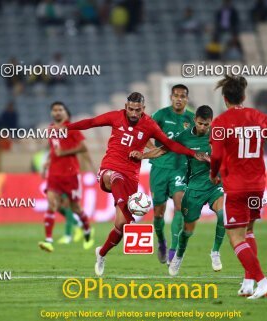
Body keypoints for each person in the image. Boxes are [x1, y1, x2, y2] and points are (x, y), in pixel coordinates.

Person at [66, 92, 208, 276]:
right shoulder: (115, 116)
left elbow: (168, 145)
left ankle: (101, 253)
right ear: (126, 106)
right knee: (115, 178)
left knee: (121, 226)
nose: (133, 113)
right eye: (131, 109)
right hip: (109, 170)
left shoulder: (149, 125)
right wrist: (67, 128)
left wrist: (191, 153)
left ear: (144, 109)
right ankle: (126, 212)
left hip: (131, 177)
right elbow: (91, 122)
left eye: (138, 110)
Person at [210, 75, 267, 299]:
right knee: (249, 231)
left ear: (225, 99)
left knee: (235, 238)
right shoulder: (260, 117)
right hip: (257, 187)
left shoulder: (221, 122)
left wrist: (213, 174)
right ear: (244, 96)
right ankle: (247, 283)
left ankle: (262, 282)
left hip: (235, 187)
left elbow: (215, 155)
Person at [144, 105, 226, 274]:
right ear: (194, 120)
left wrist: (213, 162)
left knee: (222, 215)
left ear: (211, 123)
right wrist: (142, 156)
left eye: (207, 124)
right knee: (187, 231)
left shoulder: (218, 137)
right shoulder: (184, 137)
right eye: (201, 123)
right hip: (194, 188)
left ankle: (215, 252)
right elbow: (163, 150)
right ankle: (179, 255)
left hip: (213, 185)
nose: (203, 127)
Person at [146, 84, 194, 265]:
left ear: (187, 99)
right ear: (171, 97)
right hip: (159, 168)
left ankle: (174, 250)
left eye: (183, 96)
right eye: (176, 95)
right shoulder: (160, 115)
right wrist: (153, 150)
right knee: (158, 213)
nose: (179, 99)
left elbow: (200, 139)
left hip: (180, 168)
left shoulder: (191, 118)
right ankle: (162, 242)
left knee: (180, 206)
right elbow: (144, 133)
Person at [38, 102, 95, 252]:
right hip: (54, 174)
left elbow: (83, 147)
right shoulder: (50, 129)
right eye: (54, 110)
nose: (57, 112)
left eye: (60, 110)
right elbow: (53, 150)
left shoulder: (73, 128)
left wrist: (63, 153)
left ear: (64, 112)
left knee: (75, 208)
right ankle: (48, 241)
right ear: (52, 113)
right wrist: (47, 163)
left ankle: (87, 230)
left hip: (71, 174)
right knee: (51, 205)